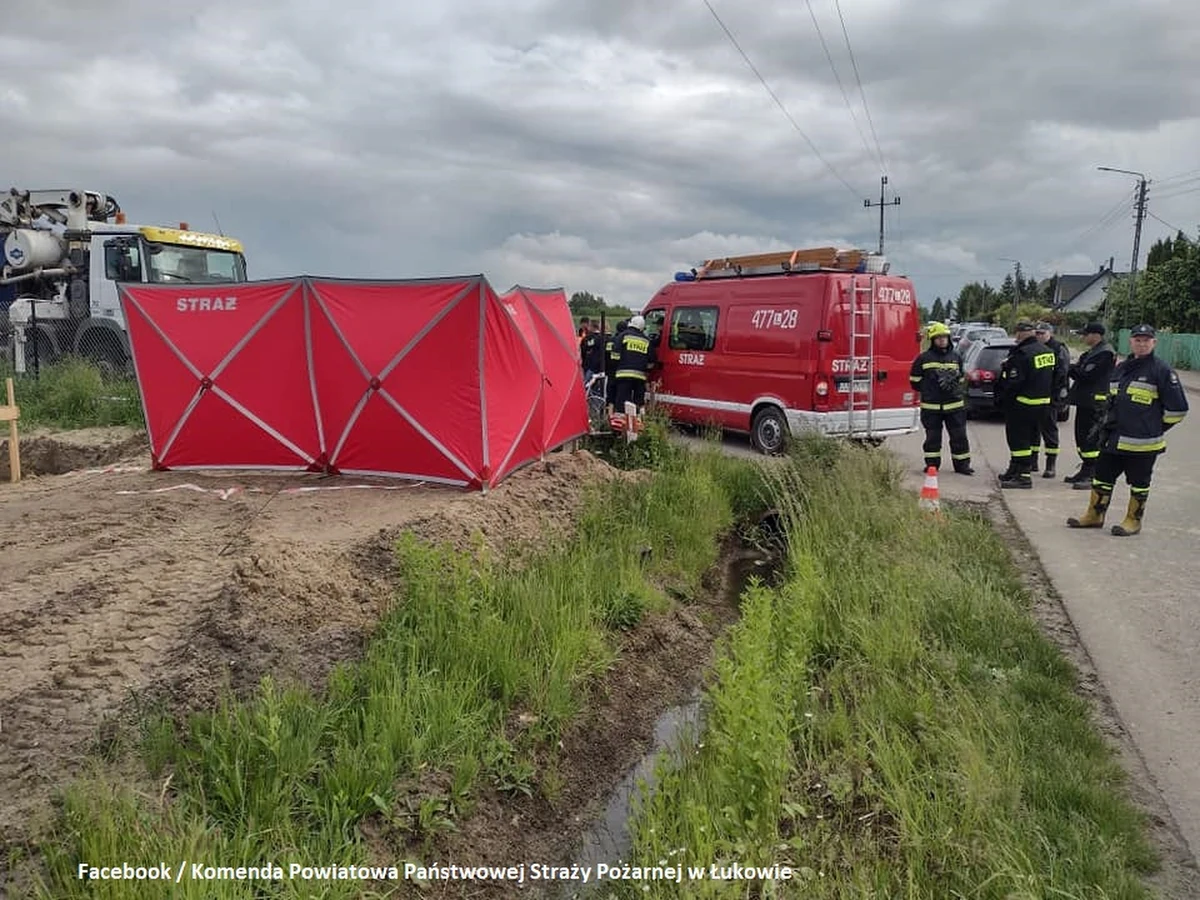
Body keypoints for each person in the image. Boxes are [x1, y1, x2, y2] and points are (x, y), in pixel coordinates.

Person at [1067, 324, 1189, 536]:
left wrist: (1154, 428)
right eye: (1137, 340)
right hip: (1113, 438)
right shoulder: (1122, 368)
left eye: (1146, 340)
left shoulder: (1162, 371)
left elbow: (1178, 410)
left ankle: (1133, 520)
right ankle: (1095, 515)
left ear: (1154, 343)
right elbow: (1112, 400)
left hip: (1143, 443)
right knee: (1101, 477)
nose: (1141, 344)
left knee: (1139, 484)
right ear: (1130, 342)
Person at [908, 321, 974, 474]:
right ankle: (932, 465)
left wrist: (953, 385)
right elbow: (914, 382)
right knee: (932, 438)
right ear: (932, 340)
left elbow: (962, 379)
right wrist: (931, 388)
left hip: (955, 406)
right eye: (938, 338)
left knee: (959, 437)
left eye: (944, 337)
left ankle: (962, 466)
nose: (942, 340)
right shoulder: (923, 359)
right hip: (932, 408)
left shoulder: (956, 357)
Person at [995, 320, 1055, 489]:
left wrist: (1003, 397)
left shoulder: (1022, 354)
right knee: (1029, 439)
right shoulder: (1047, 351)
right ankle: (1015, 470)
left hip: (1022, 404)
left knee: (1019, 441)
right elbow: (1056, 376)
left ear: (1020, 333)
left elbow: (1015, 382)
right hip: (1042, 404)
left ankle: (1023, 476)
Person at [1064, 322, 1116, 488]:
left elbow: (1086, 375)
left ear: (1096, 335)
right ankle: (1086, 469)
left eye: (1086, 334)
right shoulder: (1093, 352)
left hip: (1095, 402)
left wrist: (1069, 368)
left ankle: (1092, 472)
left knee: (1091, 439)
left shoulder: (1105, 353)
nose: (1083, 337)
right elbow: (1080, 369)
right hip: (1085, 401)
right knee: (1081, 437)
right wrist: (1074, 368)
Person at [1029, 322, 1071, 478]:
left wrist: (1057, 396)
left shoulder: (1058, 348)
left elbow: (1062, 373)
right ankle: (1033, 462)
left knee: (1049, 431)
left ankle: (1051, 465)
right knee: (1033, 430)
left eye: (1042, 333)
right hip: (1034, 396)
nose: (1039, 336)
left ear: (1050, 334)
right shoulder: (1034, 348)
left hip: (1050, 397)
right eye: (1037, 333)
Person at [612, 314, 654, 412]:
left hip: (623, 375)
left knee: (622, 402)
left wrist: (617, 367)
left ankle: (622, 423)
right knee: (639, 402)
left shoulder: (623, 336)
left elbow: (614, 356)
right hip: (640, 377)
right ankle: (640, 422)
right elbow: (651, 362)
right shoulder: (646, 340)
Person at [604, 319, 628, 413]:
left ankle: (609, 416)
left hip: (611, 372)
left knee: (610, 396)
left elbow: (606, 356)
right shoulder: (625, 341)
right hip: (621, 372)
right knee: (621, 396)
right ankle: (619, 416)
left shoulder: (610, 340)